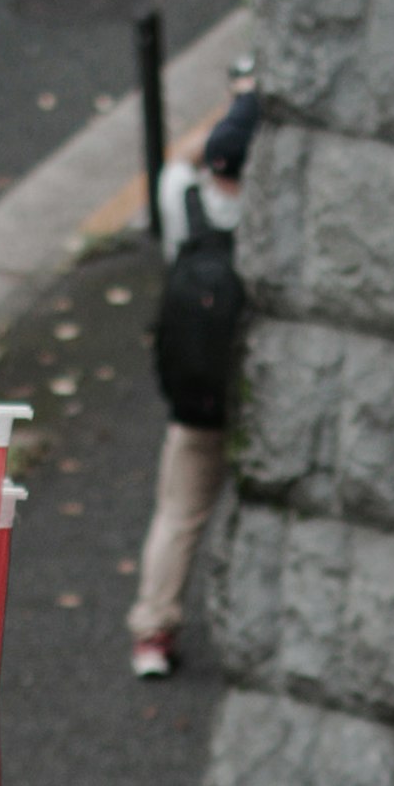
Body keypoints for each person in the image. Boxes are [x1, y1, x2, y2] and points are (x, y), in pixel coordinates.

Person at [129, 76, 260, 681]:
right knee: (258, 509)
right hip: (255, 395)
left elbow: (181, 159)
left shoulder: (181, 199)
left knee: (178, 515)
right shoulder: (266, 223)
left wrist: (229, 108)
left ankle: (153, 632)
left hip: (194, 402)